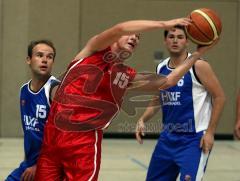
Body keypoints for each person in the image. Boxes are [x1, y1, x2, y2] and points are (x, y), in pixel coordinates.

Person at [35, 18, 217, 181]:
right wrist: (164, 24)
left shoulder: (125, 75)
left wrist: (196, 55)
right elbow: (120, 27)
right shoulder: (92, 51)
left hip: (83, 144)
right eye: (131, 35)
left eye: (138, 37)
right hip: (52, 138)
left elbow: (168, 81)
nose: (134, 38)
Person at [135, 26, 225, 181]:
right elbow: (157, 98)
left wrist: (210, 132)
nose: (175, 40)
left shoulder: (199, 65)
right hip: (167, 138)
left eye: (180, 37)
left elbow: (220, 97)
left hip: (194, 140)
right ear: (165, 41)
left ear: (187, 41)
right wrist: (143, 119)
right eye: (171, 37)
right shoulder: (161, 67)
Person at [6, 40, 59, 181]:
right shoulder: (24, 90)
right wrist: (30, 162)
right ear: (29, 60)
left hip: (51, 166)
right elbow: (30, 132)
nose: (44, 60)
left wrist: (40, 166)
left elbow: (63, 138)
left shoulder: (55, 90)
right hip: (29, 165)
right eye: (40, 55)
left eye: (49, 57)